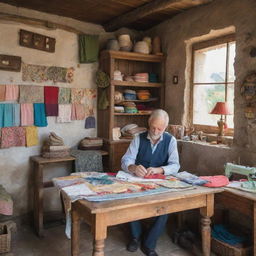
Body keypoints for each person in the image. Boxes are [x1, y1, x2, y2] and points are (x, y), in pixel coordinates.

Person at [121, 109, 180, 256]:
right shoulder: (138, 138)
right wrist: (132, 167)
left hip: (159, 182)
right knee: (129, 199)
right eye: (153, 127)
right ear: (149, 123)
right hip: (138, 180)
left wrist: (160, 169)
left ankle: (149, 243)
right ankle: (135, 236)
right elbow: (125, 160)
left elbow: (175, 165)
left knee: (166, 205)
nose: (155, 131)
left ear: (165, 127)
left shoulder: (170, 140)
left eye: (159, 128)